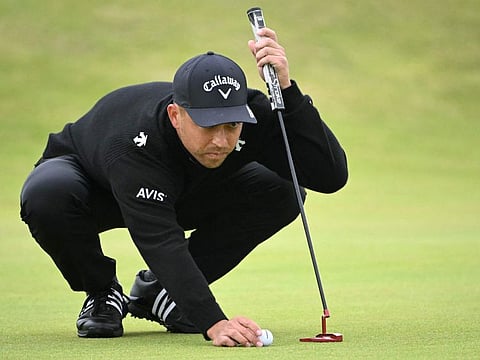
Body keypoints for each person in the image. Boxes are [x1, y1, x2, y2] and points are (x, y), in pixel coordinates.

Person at [20, 27, 348, 347]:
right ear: (176, 115)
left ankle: (160, 294)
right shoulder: (135, 141)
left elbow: (329, 176)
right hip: (94, 188)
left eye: (231, 125)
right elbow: (160, 239)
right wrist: (214, 322)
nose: (221, 140)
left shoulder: (251, 116)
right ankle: (102, 292)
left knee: (284, 189)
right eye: (207, 126)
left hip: (184, 190)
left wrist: (288, 91)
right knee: (47, 194)